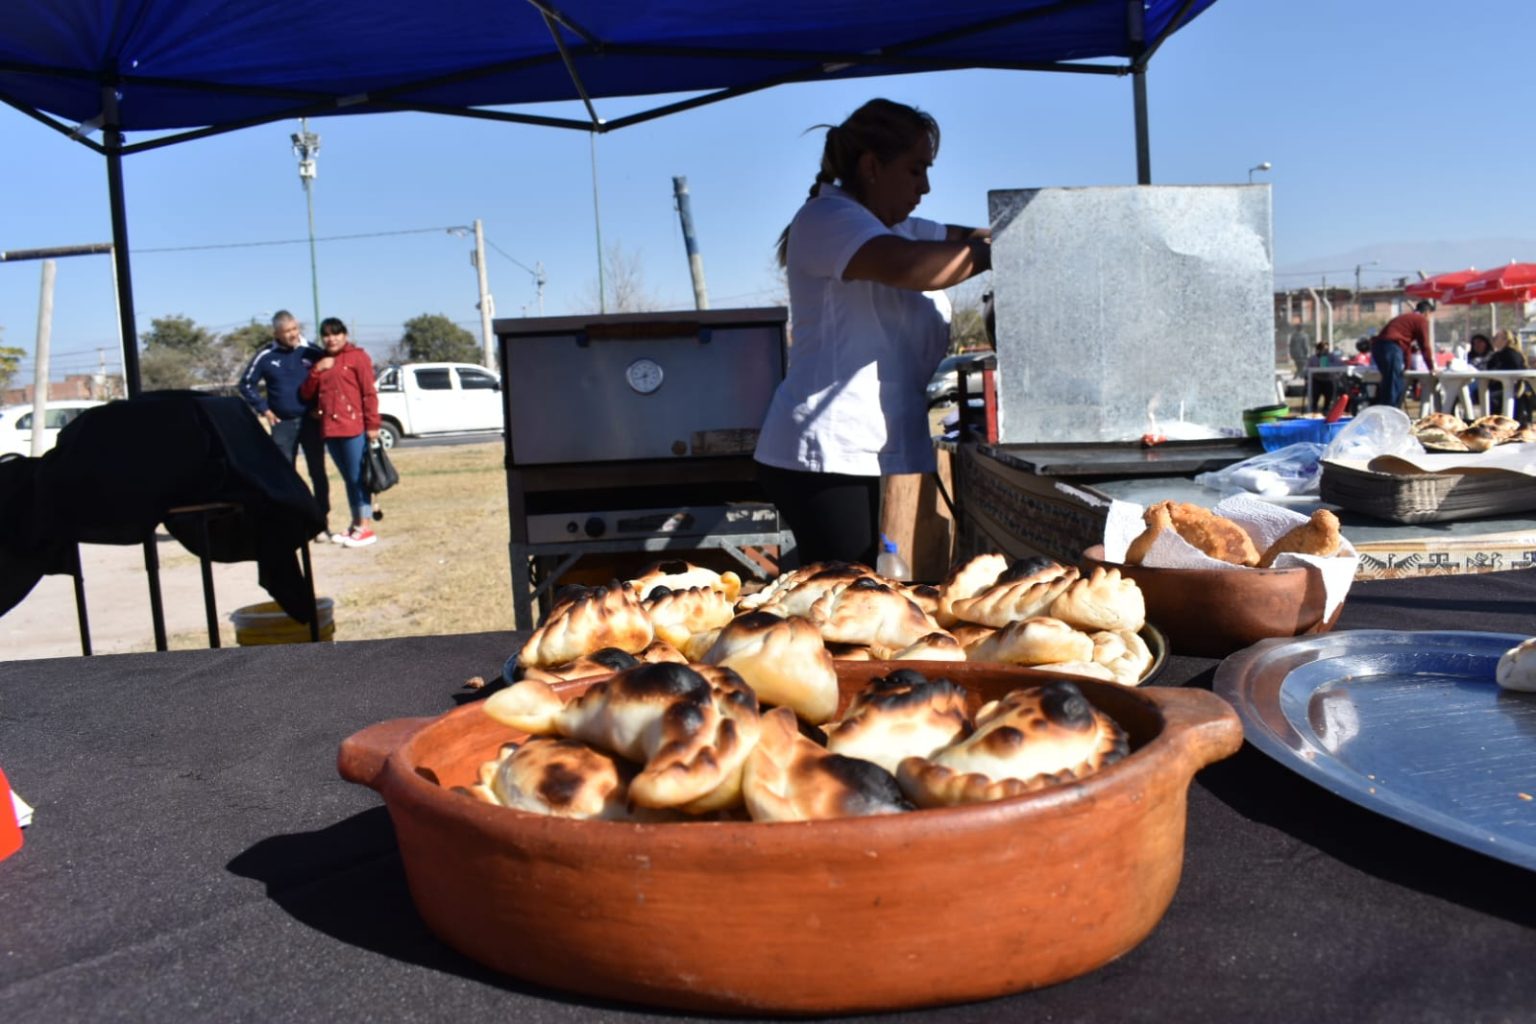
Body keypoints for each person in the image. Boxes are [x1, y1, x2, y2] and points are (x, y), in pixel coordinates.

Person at [753, 98, 991, 567]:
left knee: (888, 600)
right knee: (848, 604)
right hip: (828, 458)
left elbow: (972, 237)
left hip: (881, 451)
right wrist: (991, 254)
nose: (926, 186)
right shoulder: (827, 220)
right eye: (915, 169)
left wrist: (1014, 235)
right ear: (871, 166)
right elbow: (911, 267)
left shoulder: (904, 227)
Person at [238, 310, 332, 540]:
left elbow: (328, 380)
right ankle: (292, 522)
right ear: (276, 333)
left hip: (311, 422)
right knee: (284, 474)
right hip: (282, 423)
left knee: (317, 471)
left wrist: (321, 407)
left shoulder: (312, 351)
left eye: (294, 329)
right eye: (286, 331)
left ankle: (321, 521)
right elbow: (246, 384)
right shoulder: (266, 355)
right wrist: (265, 410)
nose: (291, 335)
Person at [299, 318, 381, 547]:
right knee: (348, 479)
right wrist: (317, 370)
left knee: (358, 478)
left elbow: (369, 393)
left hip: (353, 427)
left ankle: (365, 527)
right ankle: (355, 524)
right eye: (326, 335)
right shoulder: (322, 360)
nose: (331, 339)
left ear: (345, 334)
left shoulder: (358, 357)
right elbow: (306, 393)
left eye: (336, 334)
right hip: (330, 428)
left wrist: (373, 424)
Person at [1369, 299, 1435, 410]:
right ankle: (1391, 414)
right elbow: (1425, 345)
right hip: (1390, 348)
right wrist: (1431, 367)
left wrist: (1407, 366)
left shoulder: (1406, 318)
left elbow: (1406, 346)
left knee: (1389, 383)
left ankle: (1386, 411)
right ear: (1427, 313)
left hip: (1379, 347)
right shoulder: (1421, 320)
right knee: (1393, 385)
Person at [1485, 328, 1529, 421]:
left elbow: (1517, 373)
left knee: (1487, 397)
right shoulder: (1499, 354)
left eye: (1496, 337)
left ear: (1505, 339)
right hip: (1502, 388)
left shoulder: (1511, 354)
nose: (1493, 339)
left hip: (1509, 390)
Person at [1304, 340, 1340, 413]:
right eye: (1323, 349)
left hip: (1328, 380)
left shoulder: (1332, 357)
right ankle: (1313, 412)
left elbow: (1339, 366)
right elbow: (1307, 369)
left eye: (1327, 349)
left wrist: (1329, 366)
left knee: (1329, 400)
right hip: (1316, 380)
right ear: (1318, 350)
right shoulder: (1313, 358)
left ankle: (1326, 411)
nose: (1325, 351)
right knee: (1314, 399)